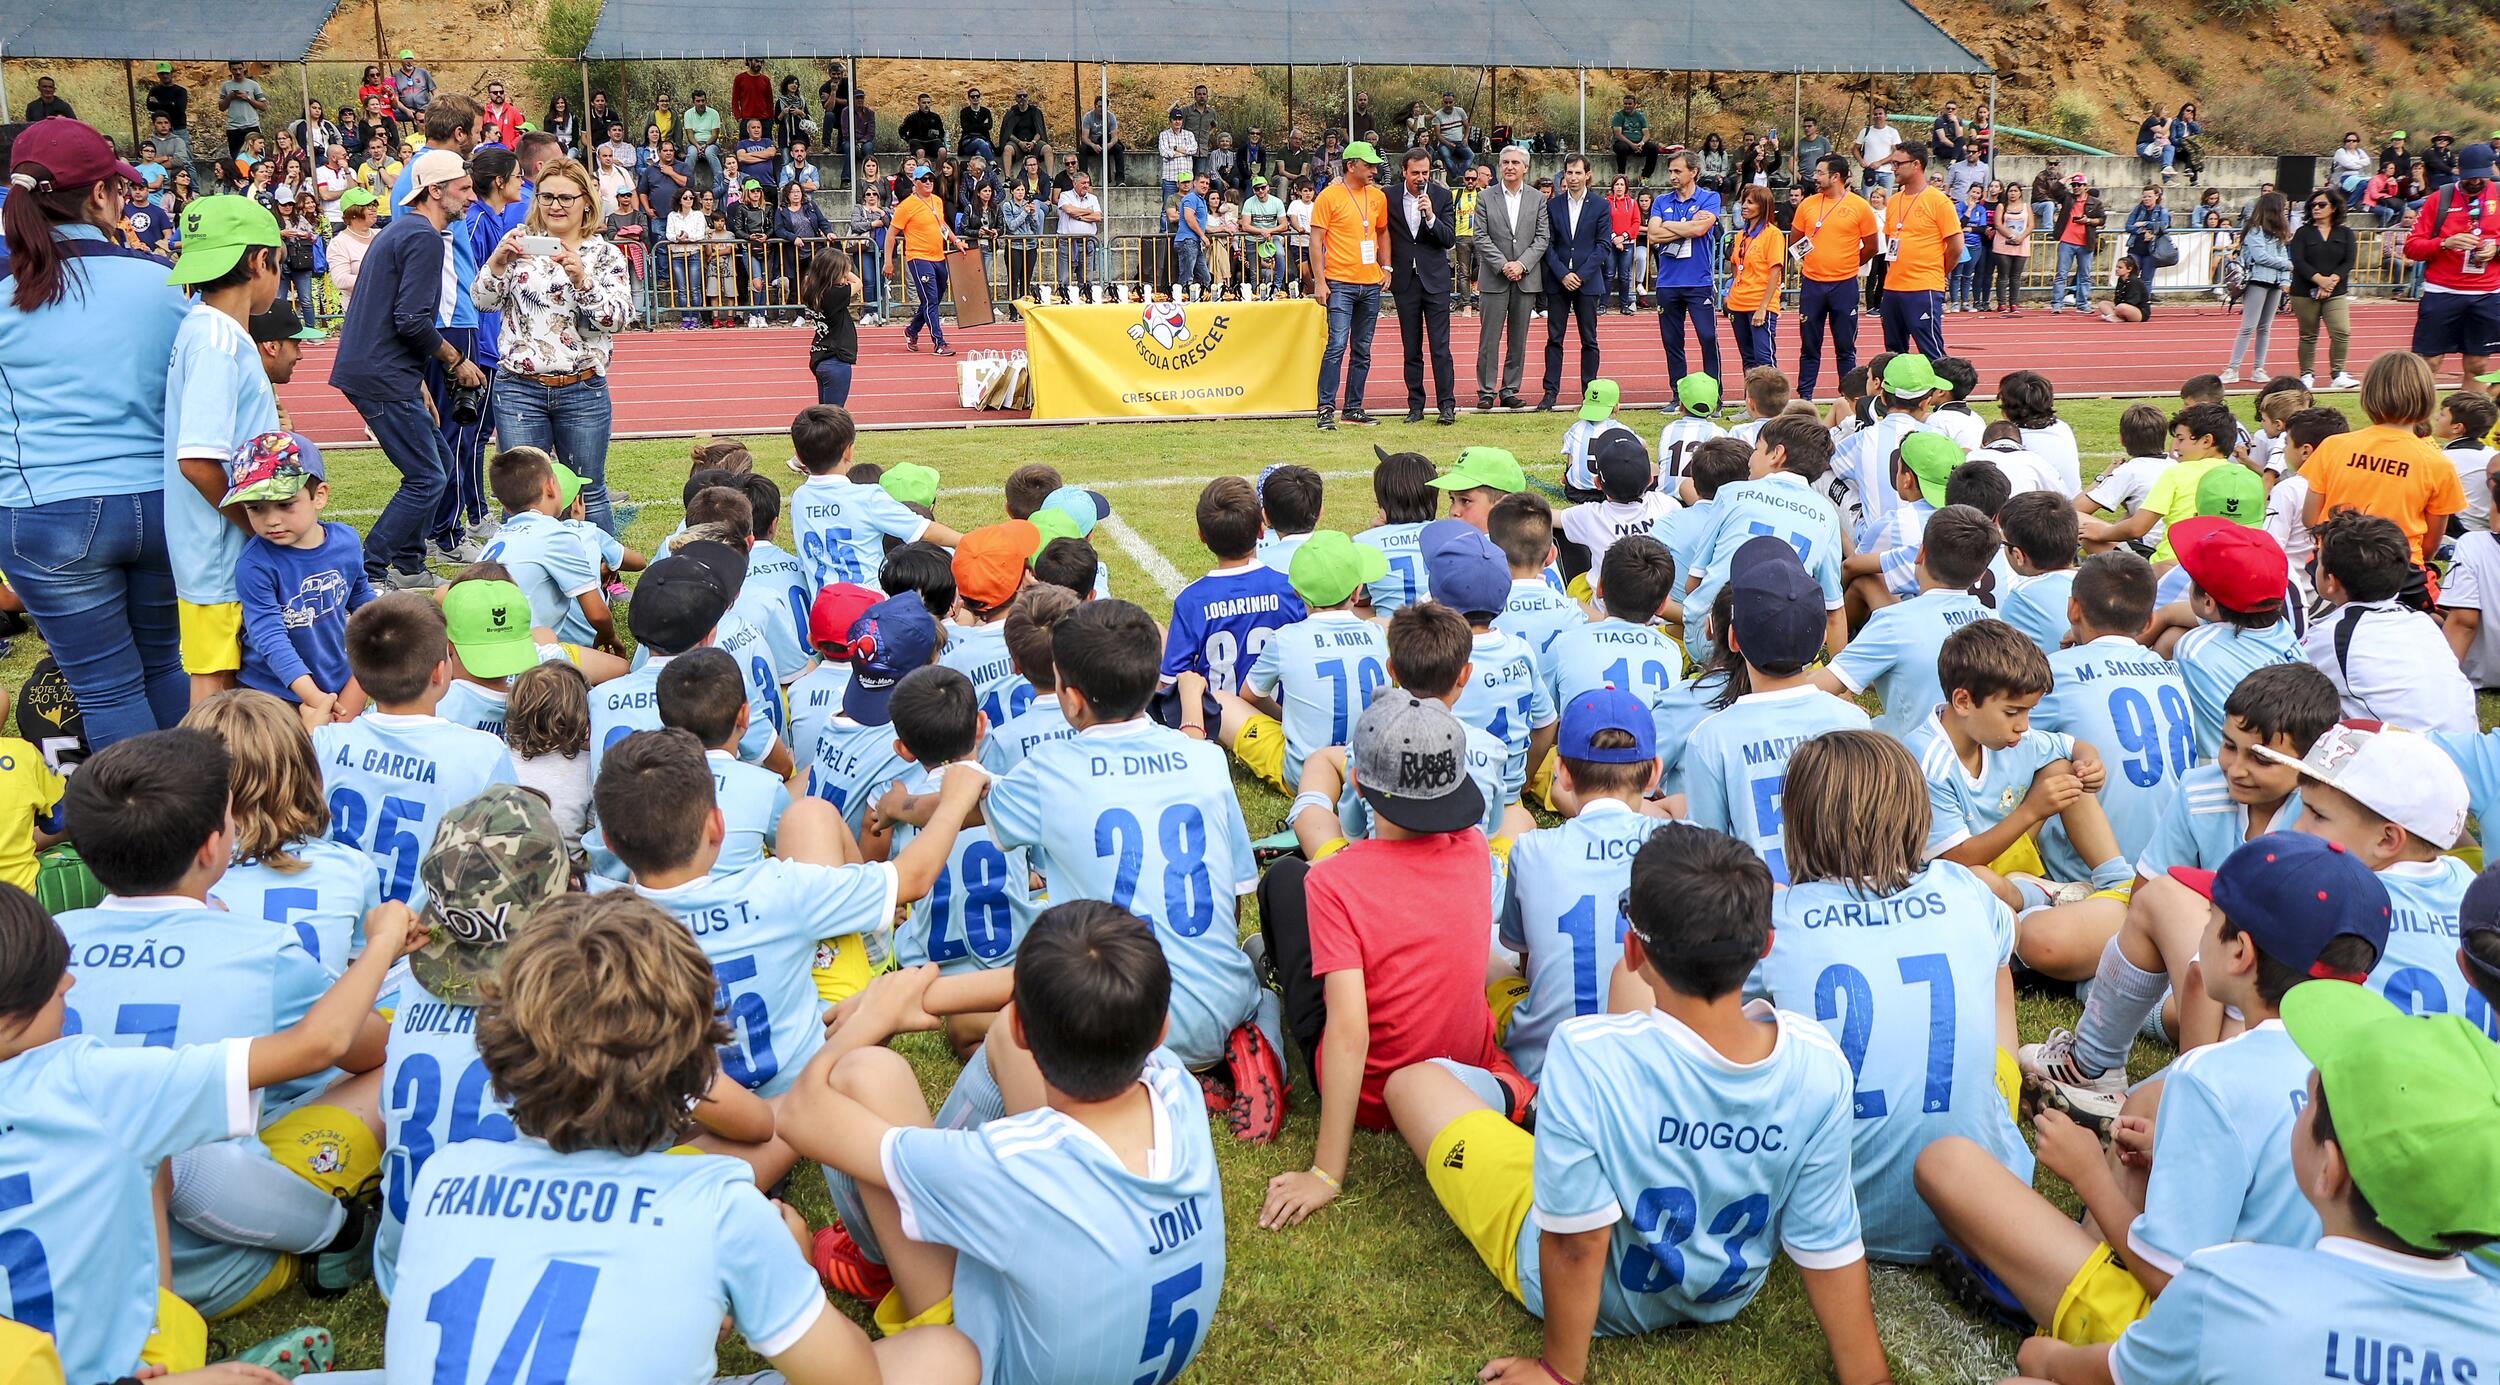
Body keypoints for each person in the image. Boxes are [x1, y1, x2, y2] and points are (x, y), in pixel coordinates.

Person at [1385, 823, 1888, 1385]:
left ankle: (1524, 1102)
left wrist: (1560, 1372)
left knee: (1413, 1085)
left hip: (1602, 1295)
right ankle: (1552, 1120)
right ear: (1765, 946)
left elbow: (1578, 1244)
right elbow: (1828, 1242)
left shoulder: (1586, 1054)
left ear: (1634, 946)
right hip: (1724, 1291)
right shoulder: (1819, 1064)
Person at [1924, 828, 2392, 1348]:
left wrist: (2085, 1172)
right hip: (2340, 1326)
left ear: (2240, 952)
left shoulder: (2214, 1075)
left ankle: (2054, 1307)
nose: (2202, 930)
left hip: (2216, 1339)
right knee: (2144, 1125)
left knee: (1945, 1165)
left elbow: (2170, 1280)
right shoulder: (2385, 1060)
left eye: (2211, 918)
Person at [1756, 730, 2029, 1262]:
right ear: (1915, 815)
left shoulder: (1774, 918)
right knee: (1996, 968)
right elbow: (2005, 943)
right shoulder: (1961, 889)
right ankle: (1999, 1092)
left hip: (1824, 1209)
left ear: (1799, 823)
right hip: (1986, 1196)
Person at [0, 119, 192, 748]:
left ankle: (140, 837)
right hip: (162, 504)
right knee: (165, 665)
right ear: (102, 195)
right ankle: (188, 825)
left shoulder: (8, 292)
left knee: (106, 689)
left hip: (47, 509)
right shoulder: (157, 281)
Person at [329, 148, 482, 591]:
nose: (471, 196)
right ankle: (370, 571)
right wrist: (457, 361)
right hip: (380, 374)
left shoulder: (400, 231)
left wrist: (418, 382)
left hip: (385, 370)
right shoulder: (423, 237)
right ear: (435, 191)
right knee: (428, 474)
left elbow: (386, 315)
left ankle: (411, 566)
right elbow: (411, 320)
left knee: (438, 465)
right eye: (463, 188)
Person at [2302, 351, 2466, 568]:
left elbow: (2310, 519)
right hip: (2400, 570)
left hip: (2336, 564)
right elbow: (2431, 545)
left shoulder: (2334, 445)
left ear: (2369, 393)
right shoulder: (2438, 464)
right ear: (2426, 396)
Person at [2403, 142, 2500, 394]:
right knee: (2428, 363)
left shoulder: (2499, 196)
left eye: (2481, 176)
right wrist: (2445, 243)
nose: (2476, 182)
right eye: (2470, 177)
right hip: (2441, 292)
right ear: (2459, 170)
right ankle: (2416, 427)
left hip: (2487, 295)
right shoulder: (2440, 198)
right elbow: (2412, 247)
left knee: (2478, 365)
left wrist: (2496, 250)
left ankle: (2468, 428)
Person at [1311, 141, 1389, 431]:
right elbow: (1316, 242)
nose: (1374, 169)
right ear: (1350, 165)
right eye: (1368, 165)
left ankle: (1353, 408)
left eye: (1374, 165)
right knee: (1337, 344)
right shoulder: (1329, 196)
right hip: (1340, 282)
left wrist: (1387, 266)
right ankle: (1325, 408)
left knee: (1362, 349)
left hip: (1370, 284)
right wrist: (1320, 281)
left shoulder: (1378, 197)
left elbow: (1382, 232)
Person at [1473, 145, 1547, 412]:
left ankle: (1509, 389)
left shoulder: (1538, 198)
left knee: (1519, 339)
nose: (1510, 167)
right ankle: (1486, 390)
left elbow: (1542, 238)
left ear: (1525, 167)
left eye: (1516, 162)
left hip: (1525, 278)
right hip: (1495, 277)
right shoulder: (1485, 197)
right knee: (1489, 338)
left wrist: (1522, 265)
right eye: (1505, 162)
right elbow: (1480, 236)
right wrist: (1504, 265)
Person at [1536, 155, 1609, 413]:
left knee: (1589, 340)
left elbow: (1603, 246)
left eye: (1578, 172)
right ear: (1564, 175)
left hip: (1587, 283)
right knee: (1554, 339)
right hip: (1558, 283)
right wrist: (1562, 274)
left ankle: (1590, 394)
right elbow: (1548, 245)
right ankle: (1549, 393)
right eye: (1569, 172)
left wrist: (1580, 274)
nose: (1573, 177)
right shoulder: (1553, 206)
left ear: (1588, 174)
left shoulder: (1600, 205)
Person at [1647, 149, 1723, 386]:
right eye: (1670, 171)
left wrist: (1668, 225)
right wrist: (1684, 225)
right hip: (1668, 283)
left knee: (1707, 338)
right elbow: (1653, 234)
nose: (1672, 176)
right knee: (1672, 341)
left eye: (1678, 171)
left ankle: (1713, 393)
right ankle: (1678, 393)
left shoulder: (1709, 198)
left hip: (1698, 281)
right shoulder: (1661, 201)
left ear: (1694, 172)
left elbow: (1699, 230)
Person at [1875, 145, 1957, 357]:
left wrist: (1940, 270)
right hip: (1893, 288)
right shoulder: (1893, 201)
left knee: (1930, 349)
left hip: (1923, 287)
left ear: (1916, 165)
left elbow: (1956, 246)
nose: (1893, 169)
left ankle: (1941, 390)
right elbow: (1889, 238)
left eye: (1897, 164)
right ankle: (1900, 390)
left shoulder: (1938, 201)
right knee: (1893, 351)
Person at [888, 163, 962, 357]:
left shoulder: (936, 201)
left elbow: (941, 224)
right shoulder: (906, 206)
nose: (929, 182)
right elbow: (891, 234)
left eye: (931, 179)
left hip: (938, 256)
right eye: (924, 179)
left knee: (934, 299)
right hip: (918, 257)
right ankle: (939, 342)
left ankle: (912, 330)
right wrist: (888, 261)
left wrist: (956, 241)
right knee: (930, 299)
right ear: (915, 182)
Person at [2290, 190, 2359, 388]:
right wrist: (2320, 280)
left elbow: (2348, 261)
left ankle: (2338, 373)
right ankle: (2307, 374)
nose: (2316, 209)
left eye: (2321, 205)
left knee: (2341, 330)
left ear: (2334, 208)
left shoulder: (2345, 233)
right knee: (2308, 334)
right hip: (2304, 291)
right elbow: (2298, 260)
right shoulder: (2303, 233)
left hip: (2335, 291)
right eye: (2313, 205)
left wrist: (2331, 282)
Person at [2222, 192, 2293, 382]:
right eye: (2283, 208)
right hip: (2257, 281)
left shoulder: (2279, 233)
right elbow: (2261, 257)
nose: (2285, 212)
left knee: (2265, 328)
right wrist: (2286, 266)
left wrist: (2286, 280)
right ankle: (2233, 368)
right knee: (2248, 326)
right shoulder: (2255, 230)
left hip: (2275, 283)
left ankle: (2258, 368)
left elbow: (2284, 256)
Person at [1724, 185, 1785, 372]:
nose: (1744, 206)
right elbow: (1735, 263)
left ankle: (1771, 400)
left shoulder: (1772, 234)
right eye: (1744, 201)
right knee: (1748, 358)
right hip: (1738, 304)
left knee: (1764, 358)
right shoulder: (1741, 235)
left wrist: (1763, 307)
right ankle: (1751, 400)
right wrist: (1733, 290)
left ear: (1763, 206)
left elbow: (1775, 272)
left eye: (1750, 202)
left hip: (1759, 304)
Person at [2051, 174, 2104, 313]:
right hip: (2067, 241)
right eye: (2073, 185)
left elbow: (2102, 219)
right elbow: (2055, 189)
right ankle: (2057, 303)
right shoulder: (2067, 198)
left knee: (2085, 275)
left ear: (2085, 187)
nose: (2075, 187)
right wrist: (2069, 176)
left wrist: (2088, 221)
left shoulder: (2095, 202)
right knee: (2061, 274)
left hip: (2085, 242)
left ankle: (2082, 303)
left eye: (2078, 185)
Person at [1610, 93, 1661, 180]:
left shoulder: (1640, 116)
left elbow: (1647, 134)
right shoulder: (1618, 115)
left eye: (1630, 104)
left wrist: (1641, 143)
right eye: (1625, 104)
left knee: (1653, 148)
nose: (1627, 106)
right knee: (1622, 148)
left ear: (1635, 105)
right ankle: (1621, 176)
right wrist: (1632, 145)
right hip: (1624, 144)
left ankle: (1645, 176)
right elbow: (1618, 134)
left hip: (1638, 145)